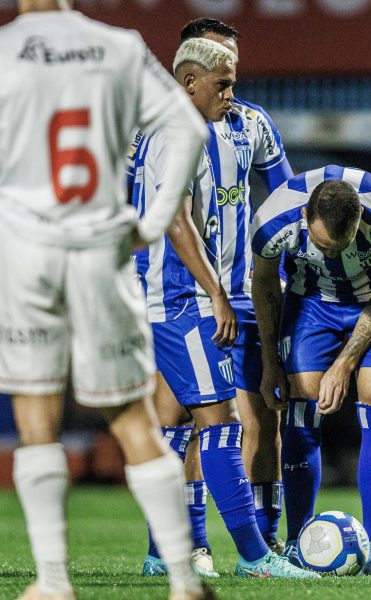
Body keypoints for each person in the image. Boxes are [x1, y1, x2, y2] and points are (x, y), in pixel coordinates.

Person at [0, 1, 213, 599]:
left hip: (26, 253)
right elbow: (188, 126)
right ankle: (183, 580)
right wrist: (153, 220)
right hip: (102, 248)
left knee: (35, 419)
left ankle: (53, 582)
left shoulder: (5, 53)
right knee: (132, 418)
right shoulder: (118, 47)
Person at [129, 36, 316, 581]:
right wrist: (214, 292)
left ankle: (166, 550)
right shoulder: (172, 134)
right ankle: (256, 557)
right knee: (220, 421)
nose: (232, 94)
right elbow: (176, 220)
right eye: (223, 83)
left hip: (185, 297)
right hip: (184, 298)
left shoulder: (212, 126)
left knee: (190, 423)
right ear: (190, 82)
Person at [250, 166, 371, 576]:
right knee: (302, 406)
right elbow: (267, 288)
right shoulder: (272, 220)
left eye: (339, 246)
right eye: (323, 246)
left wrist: (344, 364)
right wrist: (271, 362)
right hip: (310, 304)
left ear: (360, 221)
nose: (331, 254)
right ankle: (296, 542)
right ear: (304, 217)